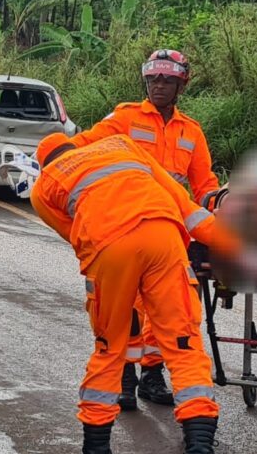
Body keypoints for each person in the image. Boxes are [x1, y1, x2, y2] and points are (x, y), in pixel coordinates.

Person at [30, 130, 242, 454]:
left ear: (43, 163)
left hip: (107, 248)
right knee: (183, 345)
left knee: (108, 349)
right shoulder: (121, 146)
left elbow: (74, 234)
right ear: (77, 146)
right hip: (162, 235)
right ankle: (200, 453)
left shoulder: (43, 187)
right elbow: (189, 210)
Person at [71, 49, 219, 413]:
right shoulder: (125, 118)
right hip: (122, 225)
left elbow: (204, 185)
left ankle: (152, 374)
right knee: (126, 306)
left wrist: (220, 207)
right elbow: (82, 148)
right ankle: (123, 375)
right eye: (153, 79)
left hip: (169, 230)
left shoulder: (191, 132)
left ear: (182, 84)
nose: (159, 85)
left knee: (167, 308)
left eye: (167, 80)